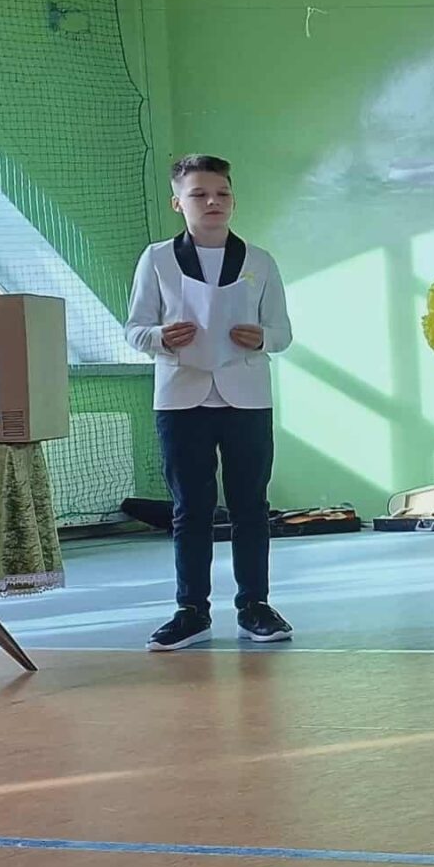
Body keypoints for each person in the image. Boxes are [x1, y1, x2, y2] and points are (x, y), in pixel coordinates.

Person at [126, 154, 293, 651]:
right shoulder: (157, 259)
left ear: (233, 200)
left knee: (251, 506)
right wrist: (161, 336)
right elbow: (135, 329)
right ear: (178, 203)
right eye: (199, 194)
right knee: (190, 509)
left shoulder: (260, 260)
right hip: (181, 398)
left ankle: (255, 606)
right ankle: (191, 611)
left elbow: (283, 332)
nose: (213, 202)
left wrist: (262, 337)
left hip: (247, 398)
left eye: (222, 193)